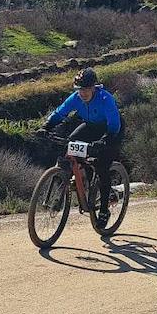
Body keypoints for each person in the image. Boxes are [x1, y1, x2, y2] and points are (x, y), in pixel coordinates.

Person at [39, 68, 123, 224]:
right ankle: (82, 178)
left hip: (110, 130)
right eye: (79, 89)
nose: (82, 93)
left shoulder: (106, 99)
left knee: (101, 166)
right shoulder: (75, 98)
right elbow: (60, 113)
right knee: (71, 144)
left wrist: (104, 141)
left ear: (94, 87)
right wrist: (46, 126)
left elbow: (114, 126)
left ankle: (104, 208)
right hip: (90, 126)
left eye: (86, 89)